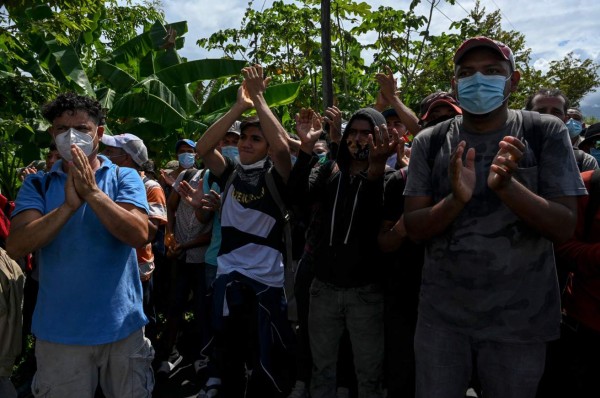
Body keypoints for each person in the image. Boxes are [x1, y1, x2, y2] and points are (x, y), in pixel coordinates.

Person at [403, 36, 586, 398]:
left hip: (519, 325)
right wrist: (456, 200)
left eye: (491, 71)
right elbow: (414, 228)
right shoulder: (430, 141)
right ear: (455, 85)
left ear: (512, 80)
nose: (478, 80)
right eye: (467, 73)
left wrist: (507, 187)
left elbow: (565, 226)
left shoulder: (543, 131)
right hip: (443, 321)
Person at [6, 92, 153, 397]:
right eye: (61, 129)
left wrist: (94, 195)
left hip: (123, 330)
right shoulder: (37, 184)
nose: (71, 137)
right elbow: (17, 245)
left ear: (99, 132)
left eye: (82, 129)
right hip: (60, 335)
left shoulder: (125, 176)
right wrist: (67, 208)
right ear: (52, 134)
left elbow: (139, 233)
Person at [196, 64, 293, 398]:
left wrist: (261, 99)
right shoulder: (232, 172)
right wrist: (239, 106)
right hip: (228, 278)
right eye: (245, 137)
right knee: (229, 355)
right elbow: (203, 148)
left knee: (264, 359)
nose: (248, 143)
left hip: (266, 283)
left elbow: (282, 149)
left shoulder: (277, 174)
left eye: (256, 138)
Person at [289, 103, 399, 398]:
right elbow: (297, 196)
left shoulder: (391, 179)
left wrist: (375, 171)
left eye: (367, 133)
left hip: (365, 294)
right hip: (323, 290)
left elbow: (371, 223)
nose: (359, 140)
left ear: (380, 138)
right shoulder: (329, 172)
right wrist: (306, 146)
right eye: (354, 132)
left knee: (369, 375)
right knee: (322, 372)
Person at [101, 133, 168, 344]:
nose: (104, 155)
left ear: (127, 159)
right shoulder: (107, 182)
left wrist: (119, 208)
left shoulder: (151, 188)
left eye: (110, 152)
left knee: (141, 323)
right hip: (112, 265)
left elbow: (149, 233)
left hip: (138, 269)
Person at [157, 137, 213, 378]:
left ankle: (203, 354)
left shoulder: (218, 182)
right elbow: (171, 206)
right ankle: (169, 354)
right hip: (179, 255)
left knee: (203, 308)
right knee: (175, 305)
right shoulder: (186, 177)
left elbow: (214, 231)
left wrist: (186, 244)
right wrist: (170, 236)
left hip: (200, 258)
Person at [524, 88, 597, 171]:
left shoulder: (585, 162)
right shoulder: (510, 151)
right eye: (541, 111)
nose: (549, 117)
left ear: (565, 120)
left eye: (556, 112)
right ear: (527, 115)